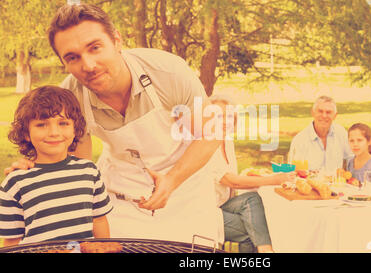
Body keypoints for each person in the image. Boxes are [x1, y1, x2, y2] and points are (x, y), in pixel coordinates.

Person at [5, 3, 222, 244]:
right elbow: (76, 165)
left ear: (117, 41)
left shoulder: (168, 72)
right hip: (121, 197)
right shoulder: (69, 98)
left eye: (95, 48)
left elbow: (211, 134)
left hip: (186, 188)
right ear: (64, 63)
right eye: (73, 57)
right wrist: (36, 168)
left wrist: (171, 181)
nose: (88, 65)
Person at [0, 86, 112, 246]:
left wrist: (105, 248)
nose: (54, 132)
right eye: (41, 125)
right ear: (26, 133)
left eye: (63, 123)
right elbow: (11, 240)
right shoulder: (15, 182)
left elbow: (99, 220)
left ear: (75, 129)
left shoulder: (89, 171)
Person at [210, 95, 296, 253]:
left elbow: (230, 178)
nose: (224, 121)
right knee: (256, 228)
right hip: (207, 211)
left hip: (224, 204)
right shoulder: (207, 143)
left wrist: (253, 177)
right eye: (219, 116)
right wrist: (273, 179)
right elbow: (230, 180)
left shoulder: (226, 141)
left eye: (229, 116)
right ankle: (266, 251)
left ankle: (265, 250)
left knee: (254, 200)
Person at [288, 96, 353, 175]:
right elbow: (294, 172)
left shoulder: (341, 133)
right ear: (313, 113)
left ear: (335, 116)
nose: (324, 115)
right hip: (310, 185)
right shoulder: (300, 140)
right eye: (320, 111)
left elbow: (352, 159)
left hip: (337, 185)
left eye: (328, 112)